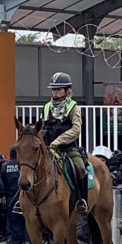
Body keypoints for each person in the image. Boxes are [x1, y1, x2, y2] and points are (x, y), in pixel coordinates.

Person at [42, 72, 88, 215]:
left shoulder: (74, 107)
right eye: (53, 89)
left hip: (68, 148)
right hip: (48, 148)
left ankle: (82, 200)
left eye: (58, 89)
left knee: (80, 168)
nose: (55, 92)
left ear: (67, 90)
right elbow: (42, 127)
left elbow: (76, 129)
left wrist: (59, 141)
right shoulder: (46, 107)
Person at [1, 145, 27, 244]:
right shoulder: (24, 165)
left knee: (14, 223)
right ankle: (28, 241)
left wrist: (2, 196)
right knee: (27, 221)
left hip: (11, 197)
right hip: (25, 196)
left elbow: (1, 182)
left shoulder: (5, 166)